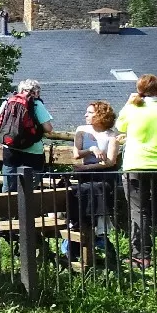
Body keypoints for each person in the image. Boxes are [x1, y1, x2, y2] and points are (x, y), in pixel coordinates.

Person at [117, 74, 157, 267]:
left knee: (139, 211)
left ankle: (141, 255)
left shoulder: (133, 108)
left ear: (139, 90)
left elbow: (120, 126)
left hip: (136, 164)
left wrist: (129, 103)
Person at [65, 100, 121, 262]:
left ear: (100, 115)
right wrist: (91, 149)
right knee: (79, 191)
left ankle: (97, 232)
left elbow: (110, 161)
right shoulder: (81, 131)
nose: (85, 115)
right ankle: (79, 227)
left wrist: (88, 168)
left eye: (89, 112)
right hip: (85, 174)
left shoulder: (111, 135)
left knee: (96, 189)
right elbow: (76, 154)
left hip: (103, 174)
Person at [0, 79, 54, 191]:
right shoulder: (36, 104)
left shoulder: (8, 101)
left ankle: (8, 208)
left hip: (10, 148)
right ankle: (25, 208)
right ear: (36, 92)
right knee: (28, 190)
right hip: (32, 151)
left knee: (8, 189)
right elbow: (48, 128)